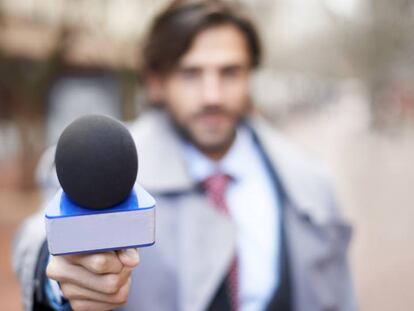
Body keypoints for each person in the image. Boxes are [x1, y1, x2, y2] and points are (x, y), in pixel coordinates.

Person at [13, 1, 356, 310]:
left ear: (251, 75)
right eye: (191, 73)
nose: (212, 95)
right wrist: (60, 279)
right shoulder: (104, 164)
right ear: (156, 83)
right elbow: (37, 238)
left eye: (230, 72)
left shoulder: (309, 179)